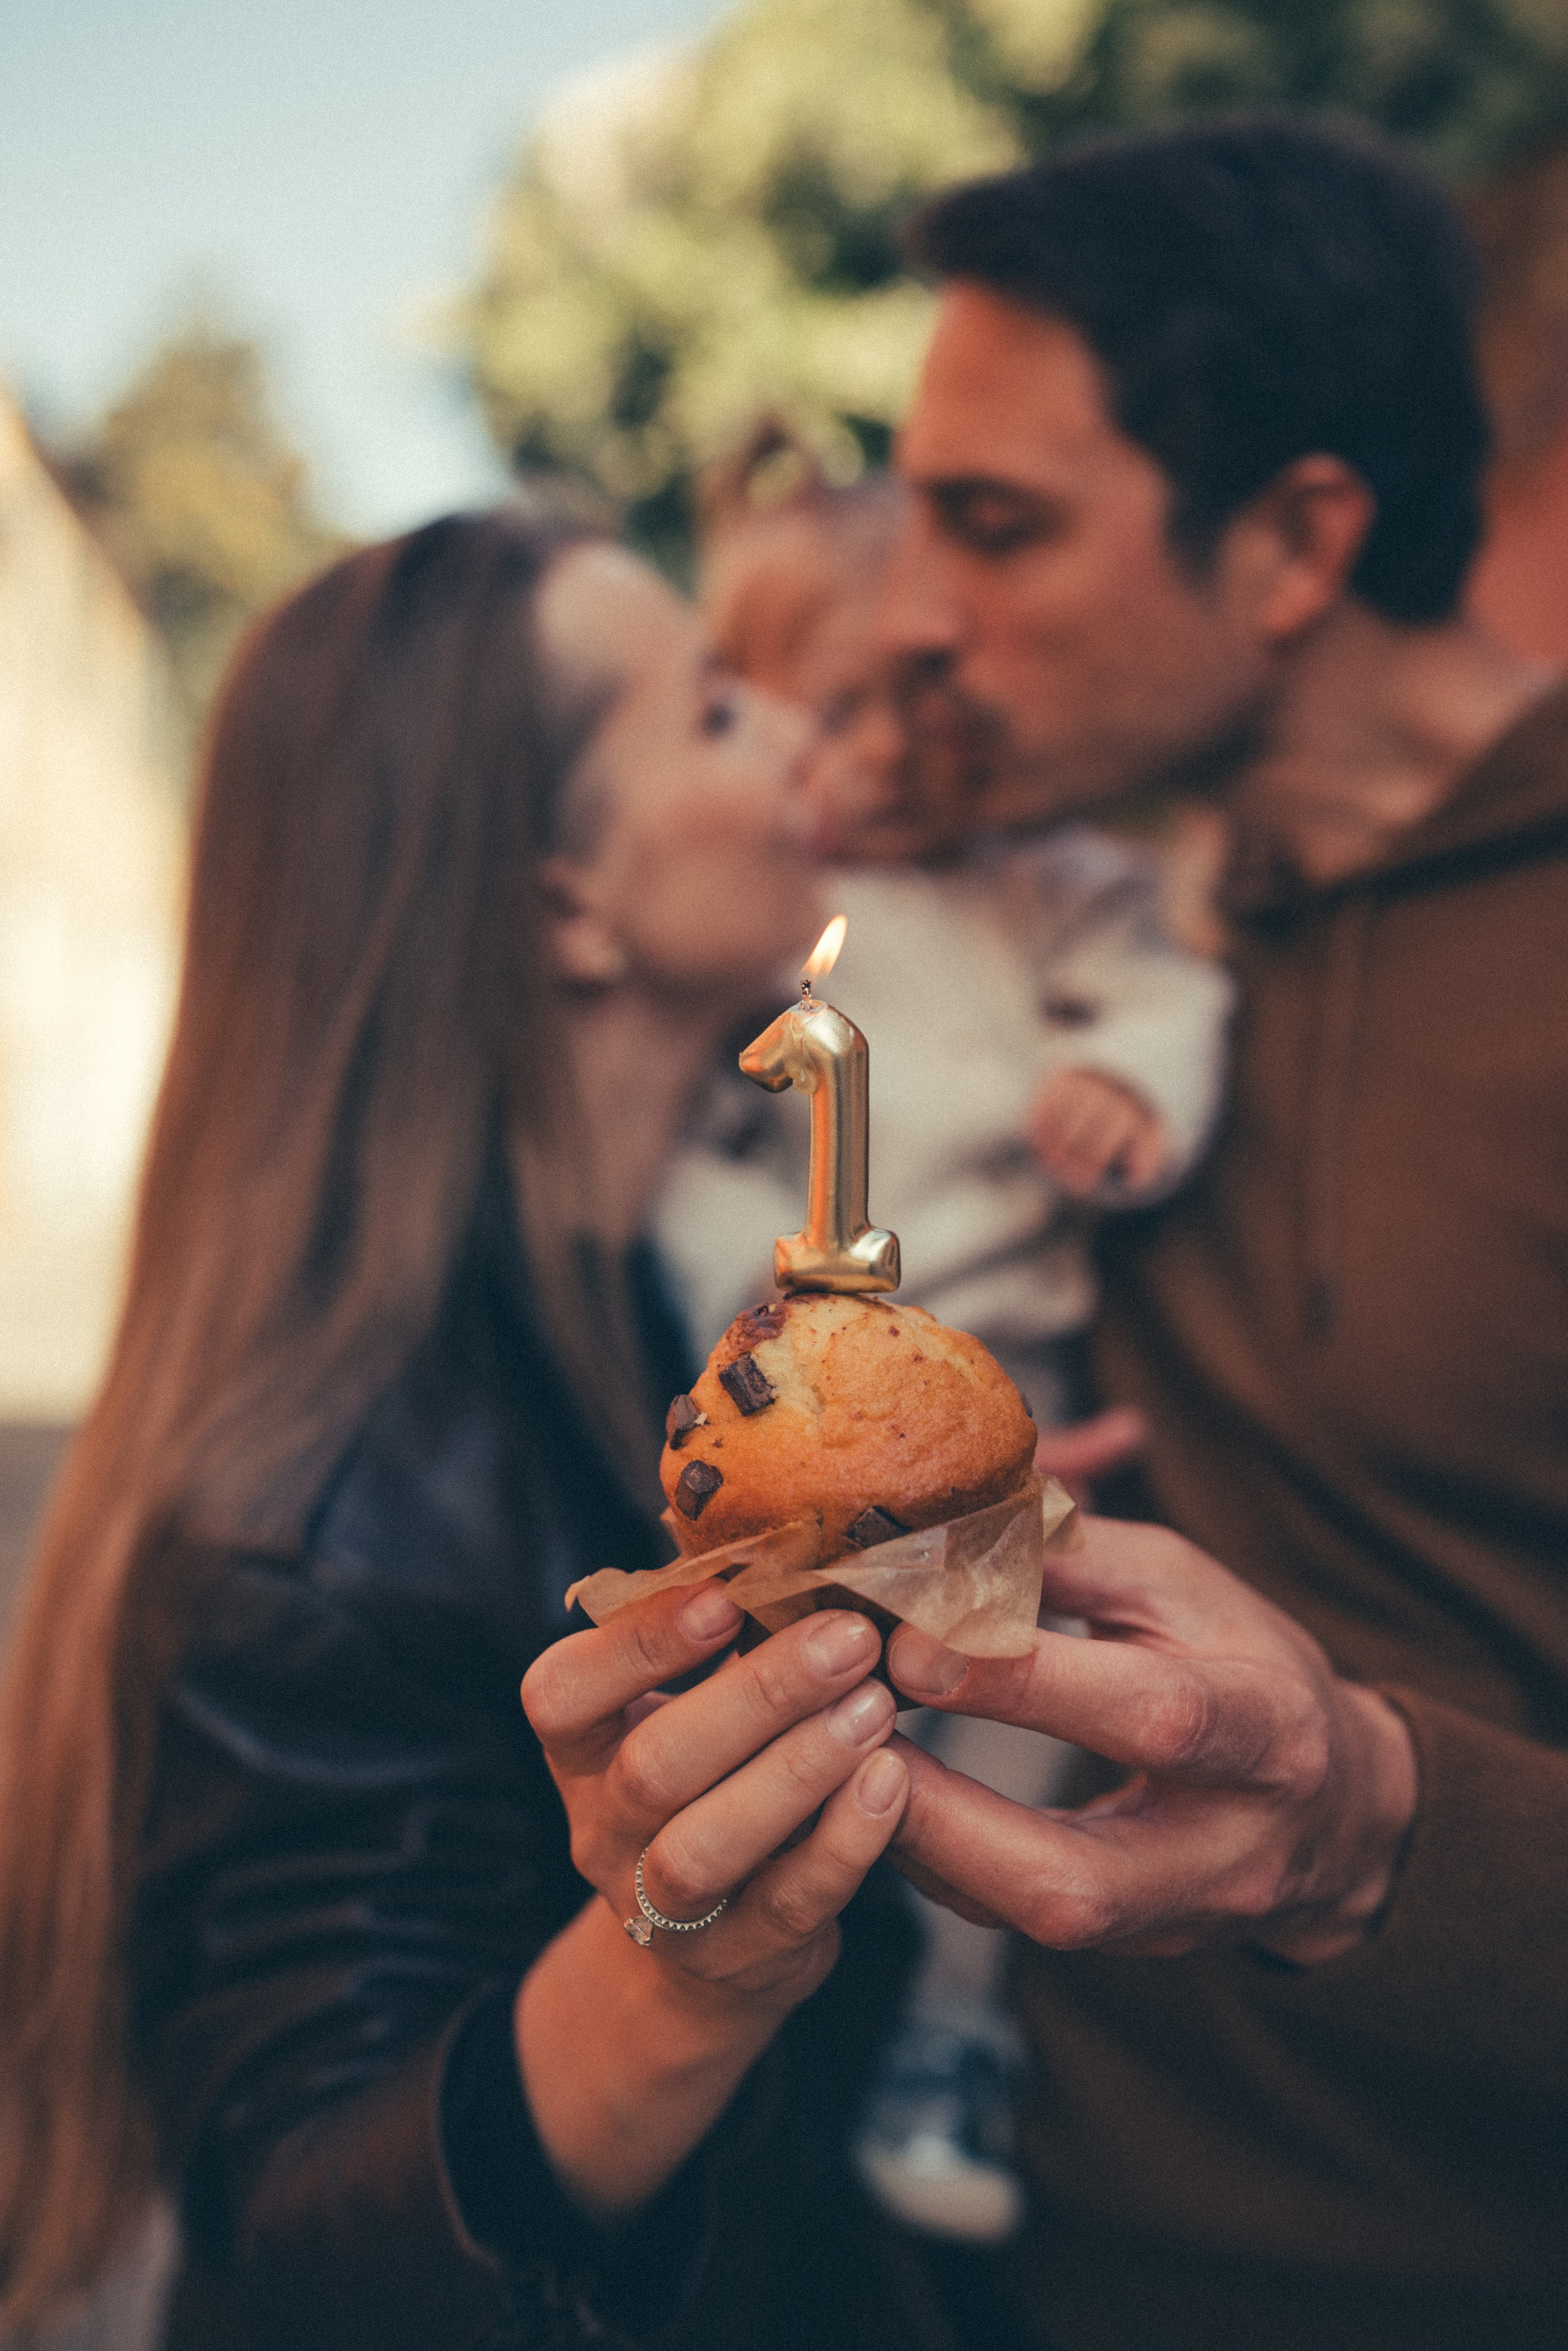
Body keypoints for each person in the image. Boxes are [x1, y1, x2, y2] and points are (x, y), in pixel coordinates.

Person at [0, 510, 937, 2351]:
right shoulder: (306, 1518)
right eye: (715, 712)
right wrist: (677, 1979)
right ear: (563, 897)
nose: (801, 739)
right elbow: (300, 2229)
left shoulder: (675, 1301)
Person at [866, 117, 1568, 2350]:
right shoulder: (1120, 944)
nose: (919, 618)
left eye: (996, 529)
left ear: (1293, 543)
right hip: (1003, 2247)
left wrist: (1373, 1824)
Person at [654, 423, 1232, 2241]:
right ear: (750, 705)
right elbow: (682, 1157)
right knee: (800, 1723)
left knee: (1011, 1730)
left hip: (1008, 1396)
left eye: (924, 700)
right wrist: (729, 1306)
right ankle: (786, 2012)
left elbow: (1174, 983)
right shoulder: (762, 930)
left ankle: (954, 2035)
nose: (889, 754)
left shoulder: (1040, 879)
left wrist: (1128, 1080)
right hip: (804, 1423)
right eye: (834, 709)